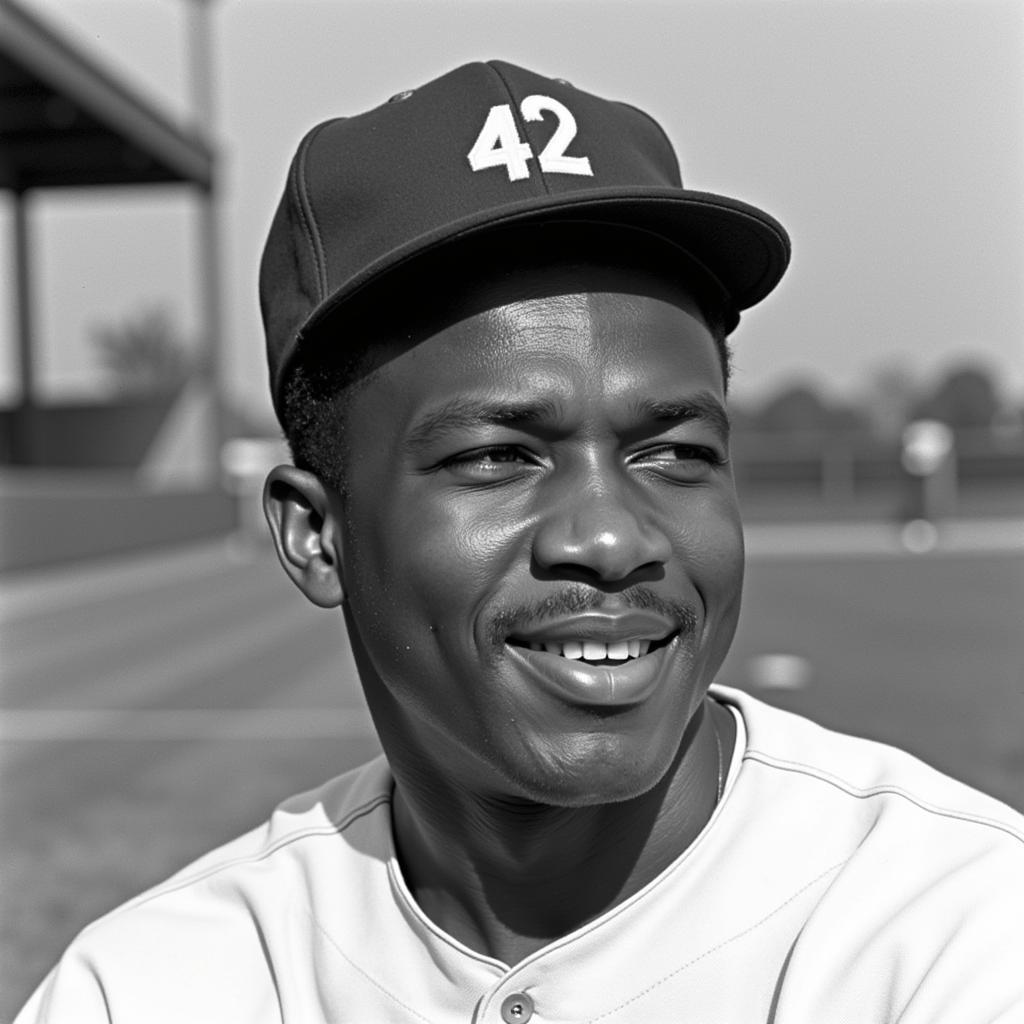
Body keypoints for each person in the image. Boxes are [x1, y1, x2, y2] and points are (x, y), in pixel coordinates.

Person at [17, 60, 1024, 1024]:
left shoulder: (957, 933)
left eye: (673, 452)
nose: (611, 534)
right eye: (498, 458)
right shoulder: (151, 987)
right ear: (317, 535)